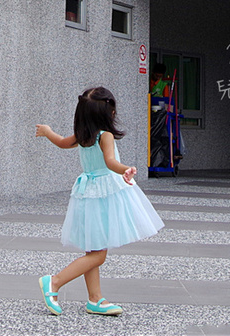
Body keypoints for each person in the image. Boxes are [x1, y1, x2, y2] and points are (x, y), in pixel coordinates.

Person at [34, 86, 164, 316]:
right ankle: (54, 282)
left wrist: (47, 131)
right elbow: (110, 161)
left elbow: (62, 142)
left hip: (87, 194)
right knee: (98, 253)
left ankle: (95, 299)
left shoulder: (84, 135)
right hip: (102, 194)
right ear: (107, 113)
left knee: (93, 248)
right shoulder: (105, 135)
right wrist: (126, 170)